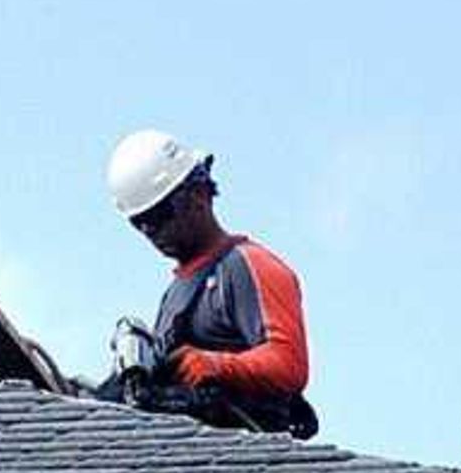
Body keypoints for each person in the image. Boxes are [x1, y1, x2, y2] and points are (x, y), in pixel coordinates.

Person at [99, 129, 317, 437]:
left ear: (198, 195)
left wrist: (215, 365)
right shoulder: (175, 296)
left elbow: (289, 364)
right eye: (141, 223)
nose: (152, 231)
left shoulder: (249, 266)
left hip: (245, 452)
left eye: (161, 215)